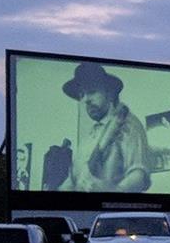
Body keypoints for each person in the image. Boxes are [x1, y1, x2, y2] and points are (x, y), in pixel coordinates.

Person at [57, 62, 150, 194]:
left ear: (110, 93)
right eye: (81, 94)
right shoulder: (87, 139)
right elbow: (72, 181)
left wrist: (111, 192)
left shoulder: (128, 124)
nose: (85, 100)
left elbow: (139, 176)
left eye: (92, 91)